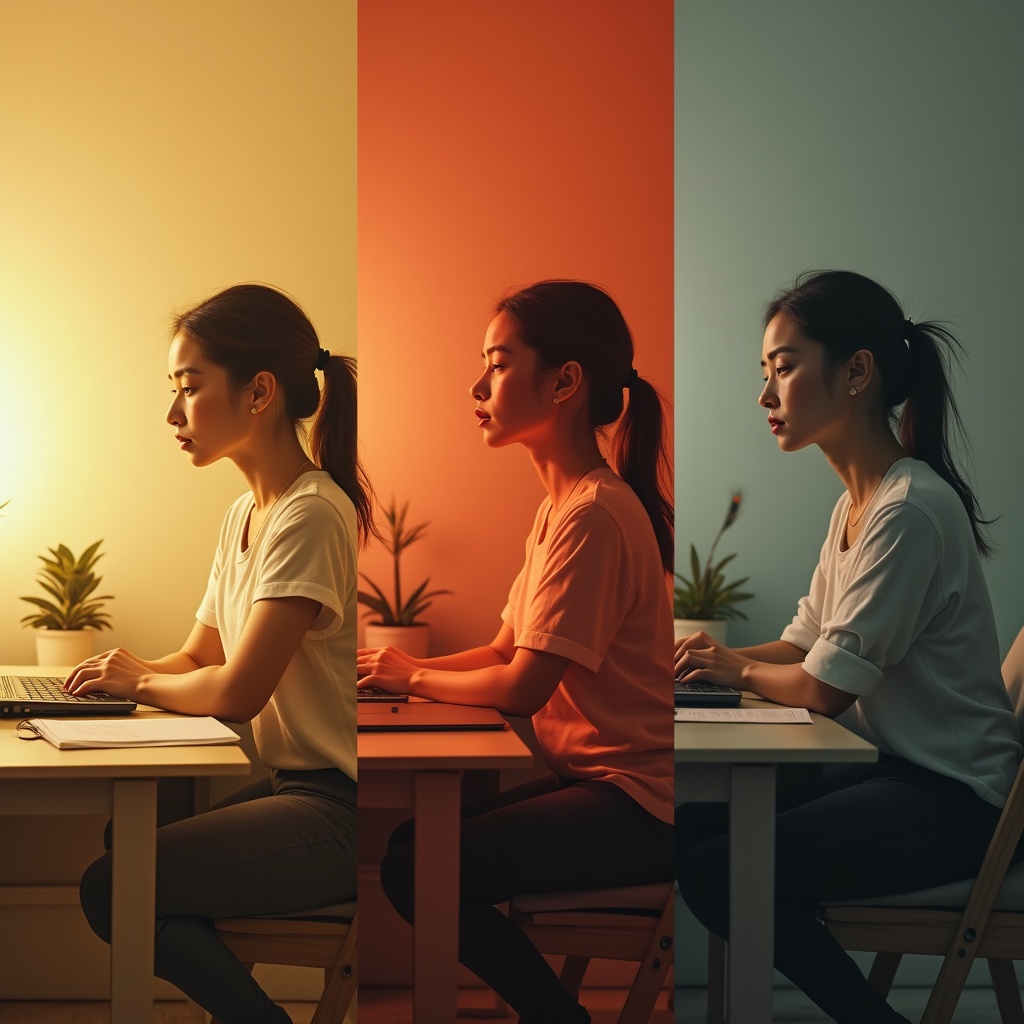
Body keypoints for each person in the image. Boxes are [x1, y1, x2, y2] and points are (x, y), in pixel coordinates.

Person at [675, 270, 1022, 1024]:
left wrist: (734, 666)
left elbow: (825, 689)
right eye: (765, 373)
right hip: (898, 771)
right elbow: (805, 644)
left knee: (718, 870)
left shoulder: (908, 511)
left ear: (857, 372)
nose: (765, 395)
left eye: (784, 367)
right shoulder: (856, 506)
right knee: (694, 827)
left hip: (957, 799)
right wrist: (700, 661)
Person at [357, 280, 675, 1024]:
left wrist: (414, 674)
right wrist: (389, 675)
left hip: (641, 805)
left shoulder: (593, 515)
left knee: (415, 866)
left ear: (564, 382)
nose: (478, 386)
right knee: (413, 845)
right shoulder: (560, 509)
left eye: (498, 364)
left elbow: (523, 687)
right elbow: (503, 649)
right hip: (601, 784)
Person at [64, 283, 372, 1024]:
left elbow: (236, 692)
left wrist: (140, 684)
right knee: (129, 837)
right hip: (293, 787)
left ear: (259, 392)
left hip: (338, 809)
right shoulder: (246, 513)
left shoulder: (311, 514)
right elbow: (197, 656)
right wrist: (118, 675)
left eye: (189, 387)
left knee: (114, 886)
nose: (173, 414)